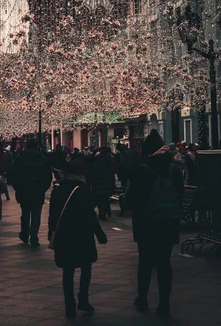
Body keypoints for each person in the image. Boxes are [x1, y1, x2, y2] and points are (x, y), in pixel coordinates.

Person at [127, 132, 184, 318]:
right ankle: (164, 304)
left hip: (145, 222)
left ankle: (142, 298)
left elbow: (132, 199)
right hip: (168, 220)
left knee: (145, 261)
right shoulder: (173, 169)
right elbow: (180, 195)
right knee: (164, 263)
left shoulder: (141, 168)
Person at [48, 160, 107, 319]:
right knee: (86, 268)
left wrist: (51, 233)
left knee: (67, 271)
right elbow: (90, 215)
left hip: (64, 235)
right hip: (82, 234)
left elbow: (52, 216)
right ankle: (83, 299)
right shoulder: (84, 191)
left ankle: (69, 304)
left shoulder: (57, 191)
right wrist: (99, 234)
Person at [12, 138, 52, 247]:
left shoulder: (20, 158)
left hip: (24, 191)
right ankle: (34, 237)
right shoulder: (43, 159)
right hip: (37, 192)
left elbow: (15, 175)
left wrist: (18, 188)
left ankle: (24, 233)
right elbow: (48, 177)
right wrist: (43, 188)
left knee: (25, 213)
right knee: (36, 215)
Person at [88, 146, 115, 219]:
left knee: (99, 198)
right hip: (107, 182)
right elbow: (112, 173)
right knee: (105, 197)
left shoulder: (96, 162)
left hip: (97, 182)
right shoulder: (110, 161)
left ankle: (102, 212)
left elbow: (92, 173)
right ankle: (107, 210)